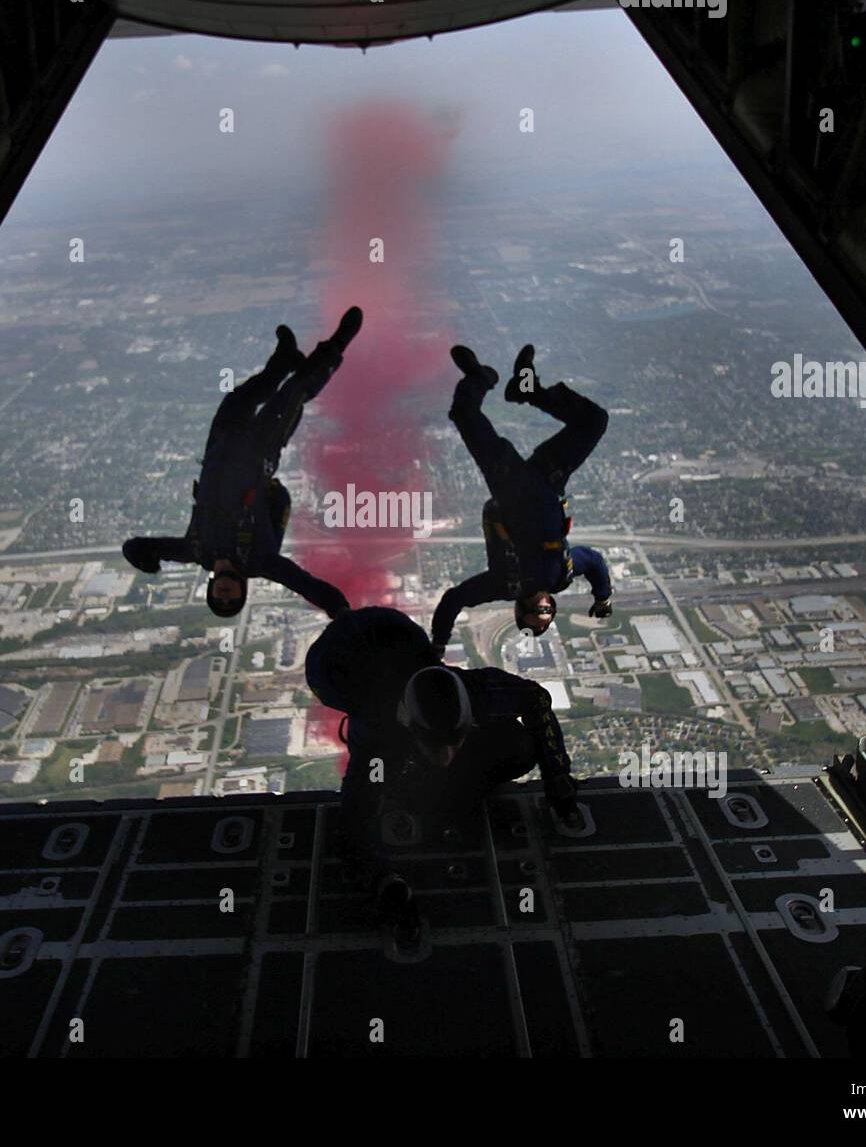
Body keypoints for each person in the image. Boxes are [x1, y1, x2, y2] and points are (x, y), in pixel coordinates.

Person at [305, 606, 578, 934]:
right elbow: (354, 821)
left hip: (394, 641)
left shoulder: (474, 689)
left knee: (519, 747)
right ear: (411, 727)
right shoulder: (375, 736)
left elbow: (536, 699)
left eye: (455, 741)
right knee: (390, 788)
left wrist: (556, 772)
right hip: (335, 666)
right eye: (436, 745)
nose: (446, 755)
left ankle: (446, 784)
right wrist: (385, 881)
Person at [123, 308, 362, 619]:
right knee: (293, 393)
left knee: (240, 398)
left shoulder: (196, 552)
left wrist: (140, 557)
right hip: (259, 452)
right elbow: (304, 584)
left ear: (210, 589)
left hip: (220, 448)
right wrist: (340, 610)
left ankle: (284, 360)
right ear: (243, 591)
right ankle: (337, 344)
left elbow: (141, 546)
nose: (224, 596)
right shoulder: (259, 561)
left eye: (217, 600)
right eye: (231, 602)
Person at [431, 342, 613, 657]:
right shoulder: (563, 576)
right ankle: (527, 389)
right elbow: (594, 561)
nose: (544, 614)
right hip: (549, 477)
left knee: (465, 415)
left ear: (520, 610)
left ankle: (479, 377)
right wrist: (602, 598)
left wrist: (437, 644)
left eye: (536, 619)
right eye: (548, 617)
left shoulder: (504, 584)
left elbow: (454, 599)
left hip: (510, 485)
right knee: (594, 421)